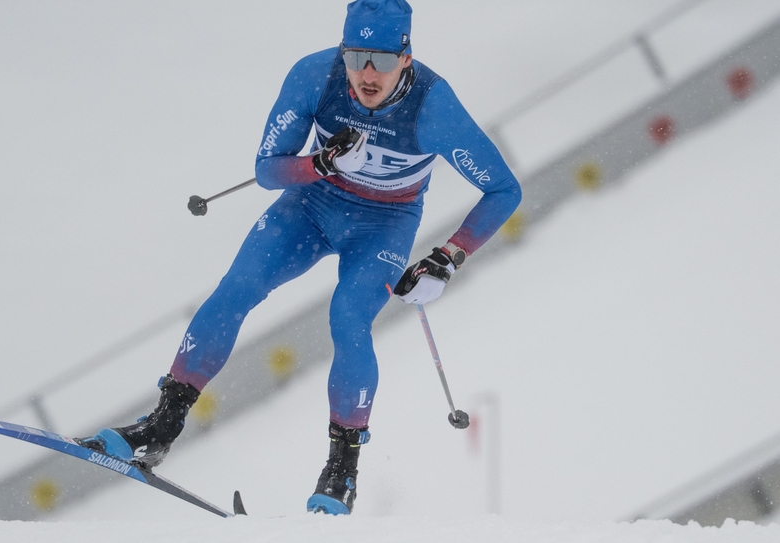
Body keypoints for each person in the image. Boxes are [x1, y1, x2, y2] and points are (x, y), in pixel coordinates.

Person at [80, 0, 521, 515]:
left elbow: (503, 190)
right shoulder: (317, 75)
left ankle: (341, 473)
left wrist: (449, 256)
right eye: (356, 57)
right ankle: (160, 427)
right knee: (236, 287)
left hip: (383, 225)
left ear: (406, 57)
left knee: (348, 319)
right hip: (312, 206)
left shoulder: (433, 105)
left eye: (380, 59)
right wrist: (320, 162)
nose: (367, 74)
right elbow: (268, 169)